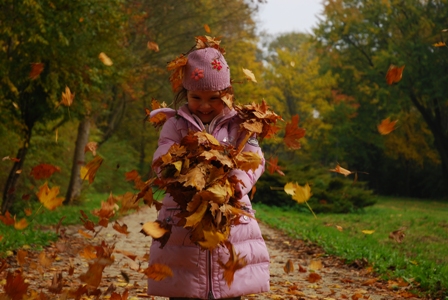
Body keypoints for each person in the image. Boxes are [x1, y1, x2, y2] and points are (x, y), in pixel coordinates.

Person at [147, 44, 270, 300]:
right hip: (184, 217)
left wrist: (235, 184)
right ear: (185, 94)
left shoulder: (241, 125)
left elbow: (254, 158)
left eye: (213, 98)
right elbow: (162, 154)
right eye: (196, 98)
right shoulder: (175, 125)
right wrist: (174, 170)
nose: (204, 106)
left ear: (226, 94)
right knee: (183, 284)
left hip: (229, 214)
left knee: (230, 282)